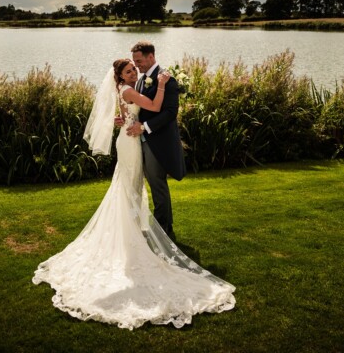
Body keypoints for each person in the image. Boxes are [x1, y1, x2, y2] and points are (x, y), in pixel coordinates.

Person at [32, 59, 235, 330]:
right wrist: (162, 85)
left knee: (131, 187)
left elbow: (129, 115)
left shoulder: (126, 88)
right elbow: (152, 106)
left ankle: (132, 230)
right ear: (119, 75)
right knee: (128, 187)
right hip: (129, 144)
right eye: (129, 70)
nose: (135, 72)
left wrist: (124, 118)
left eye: (135, 69)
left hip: (129, 139)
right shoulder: (128, 90)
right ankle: (130, 235)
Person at [124, 41, 186, 240]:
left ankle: (164, 231)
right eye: (134, 62)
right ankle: (160, 228)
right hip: (143, 141)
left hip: (158, 142)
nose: (137, 65)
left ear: (151, 56)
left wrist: (144, 127)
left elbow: (170, 112)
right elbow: (142, 108)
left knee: (157, 184)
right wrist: (128, 120)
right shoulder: (142, 80)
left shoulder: (167, 79)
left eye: (139, 61)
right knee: (152, 183)